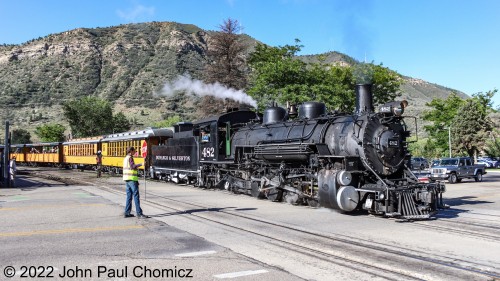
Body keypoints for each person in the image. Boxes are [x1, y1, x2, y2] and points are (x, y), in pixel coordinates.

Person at [123, 147, 149, 219]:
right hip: (131, 179)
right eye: (134, 151)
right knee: (136, 196)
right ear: (131, 151)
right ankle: (139, 213)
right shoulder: (130, 158)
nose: (135, 152)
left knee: (129, 196)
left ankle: (127, 213)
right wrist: (141, 164)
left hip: (127, 179)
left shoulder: (125, 158)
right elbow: (132, 167)